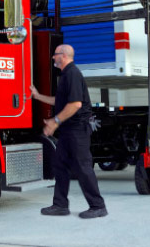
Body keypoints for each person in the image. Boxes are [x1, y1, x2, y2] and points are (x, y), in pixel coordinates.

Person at [30, 44, 107, 219]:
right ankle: (60, 205)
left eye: (55, 54)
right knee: (60, 166)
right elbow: (60, 101)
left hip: (77, 129)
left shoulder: (72, 73)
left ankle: (98, 206)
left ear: (63, 56)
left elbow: (75, 104)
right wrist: (37, 96)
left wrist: (55, 122)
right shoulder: (66, 75)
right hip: (68, 130)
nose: (52, 57)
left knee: (82, 167)